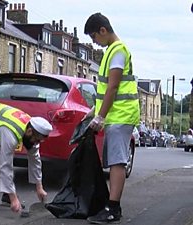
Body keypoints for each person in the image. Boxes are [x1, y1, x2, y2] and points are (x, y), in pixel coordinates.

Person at [84, 13, 140, 224]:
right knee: (115, 160)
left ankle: (113, 209)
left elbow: (114, 87)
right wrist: (94, 109)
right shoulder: (112, 51)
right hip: (117, 115)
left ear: (103, 30)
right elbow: (106, 88)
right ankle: (111, 205)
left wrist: (100, 116)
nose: (94, 43)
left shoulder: (117, 51)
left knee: (117, 162)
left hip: (121, 115)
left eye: (93, 37)